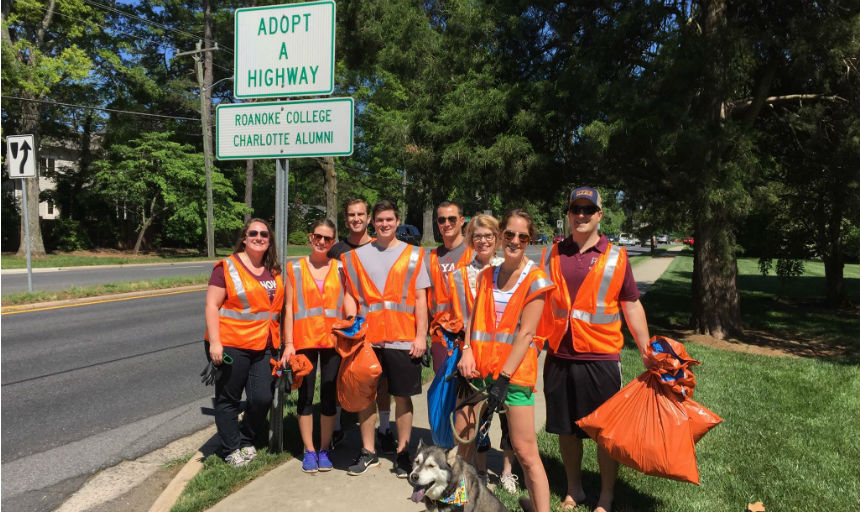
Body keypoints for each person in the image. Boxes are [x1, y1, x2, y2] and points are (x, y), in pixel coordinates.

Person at [540, 186, 652, 512]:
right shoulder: (551, 254)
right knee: (566, 429)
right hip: (559, 354)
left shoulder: (616, 256)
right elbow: (535, 300)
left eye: (588, 210)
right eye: (576, 209)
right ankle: (575, 490)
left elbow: (630, 304)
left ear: (599, 215)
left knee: (604, 432)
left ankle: (605, 495)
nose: (581, 216)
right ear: (569, 214)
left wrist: (646, 350)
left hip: (600, 357)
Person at [455, 209, 554, 512]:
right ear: (500, 236)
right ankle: (459, 504)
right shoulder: (486, 275)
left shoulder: (536, 280)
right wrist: (467, 350)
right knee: (464, 443)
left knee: (525, 453)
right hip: (479, 372)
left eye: (522, 236)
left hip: (513, 378)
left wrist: (504, 380)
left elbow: (526, 335)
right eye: (509, 234)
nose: (514, 240)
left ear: (529, 240)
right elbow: (472, 319)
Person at [340, 199, 430, 477]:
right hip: (367, 340)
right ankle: (369, 451)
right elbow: (350, 295)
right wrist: (351, 325)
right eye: (379, 220)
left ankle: (403, 453)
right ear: (372, 222)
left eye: (389, 219)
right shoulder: (356, 257)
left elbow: (420, 299)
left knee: (402, 397)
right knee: (365, 396)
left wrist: (420, 337)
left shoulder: (414, 255)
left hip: (403, 340)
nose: (384, 224)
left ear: (397, 220)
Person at [204, 218, 287, 467]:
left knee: (262, 397)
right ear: (244, 237)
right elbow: (211, 305)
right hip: (231, 344)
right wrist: (215, 343)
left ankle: (245, 437)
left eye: (264, 234)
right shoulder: (226, 267)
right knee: (228, 399)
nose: (259, 237)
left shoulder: (274, 269)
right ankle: (231, 448)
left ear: (269, 240)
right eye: (253, 233)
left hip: (264, 345)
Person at [445, 214, 518, 492]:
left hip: (508, 357)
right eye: (477, 236)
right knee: (472, 420)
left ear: (498, 238)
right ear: (470, 240)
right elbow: (465, 320)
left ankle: (508, 471)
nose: (483, 241)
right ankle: (481, 471)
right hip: (475, 357)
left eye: (489, 235)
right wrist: (466, 351)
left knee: (508, 417)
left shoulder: (512, 270)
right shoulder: (461, 276)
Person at [327, 198, 396, 453]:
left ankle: (385, 428)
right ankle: (336, 428)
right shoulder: (336, 251)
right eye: (351, 214)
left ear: (369, 218)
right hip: (345, 324)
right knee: (343, 375)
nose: (356, 219)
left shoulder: (378, 246)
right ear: (346, 218)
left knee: (381, 379)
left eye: (360, 214)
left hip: (377, 324)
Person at [281, 219, 345, 473]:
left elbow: (349, 301)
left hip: (332, 340)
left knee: (329, 397)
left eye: (328, 239)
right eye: (318, 237)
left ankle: (324, 449)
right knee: (305, 396)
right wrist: (288, 344)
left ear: (333, 242)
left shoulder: (341, 268)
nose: (322, 242)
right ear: (310, 237)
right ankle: (309, 451)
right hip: (304, 340)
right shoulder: (294, 267)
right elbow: (288, 309)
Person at [426, 201, 473, 373]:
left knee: (470, 395)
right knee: (443, 392)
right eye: (442, 220)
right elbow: (423, 299)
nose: (447, 224)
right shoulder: (429, 258)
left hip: (469, 335)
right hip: (441, 338)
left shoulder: (474, 253)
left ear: (461, 220)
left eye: (452, 219)